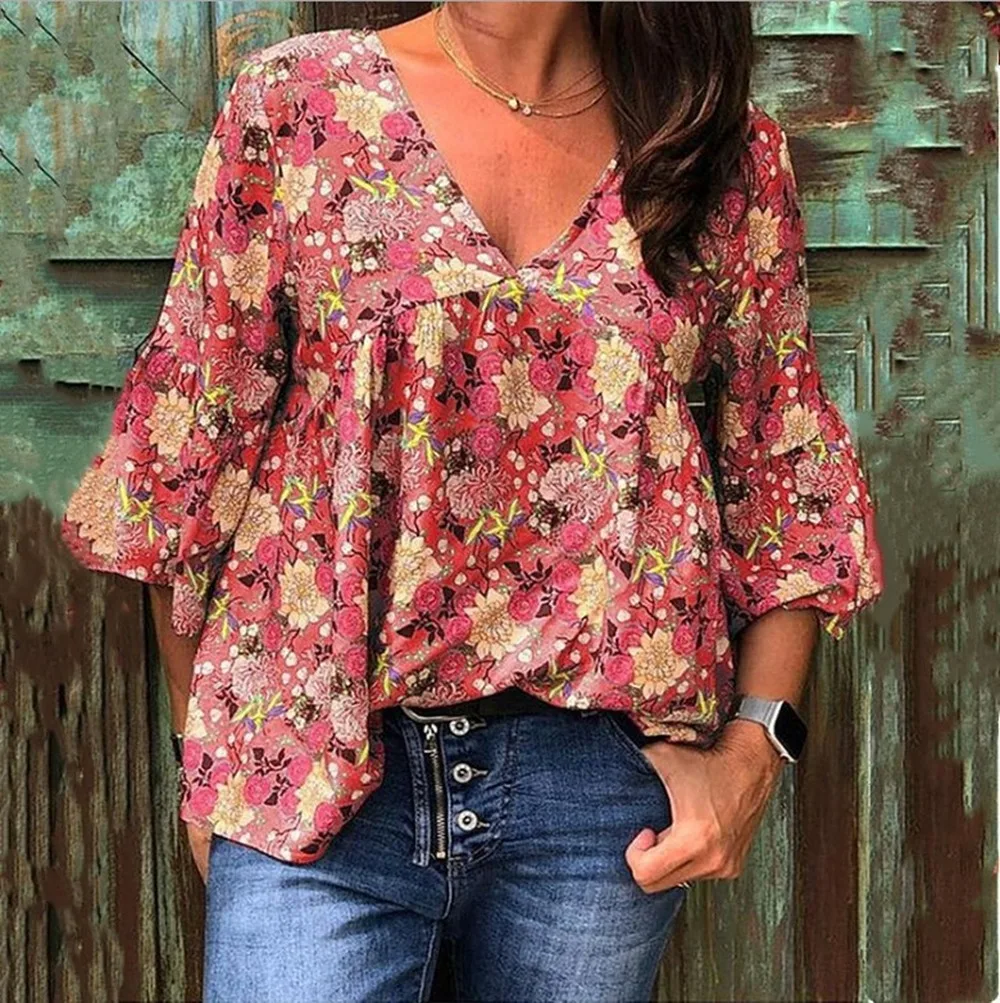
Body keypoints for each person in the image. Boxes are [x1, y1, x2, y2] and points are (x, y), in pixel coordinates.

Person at [60, 4, 885, 1001]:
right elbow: (188, 450)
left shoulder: (714, 147)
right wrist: (205, 759)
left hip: (598, 795)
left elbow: (784, 469)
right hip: (314, 759)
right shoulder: (302, 103)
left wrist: (754, 751)